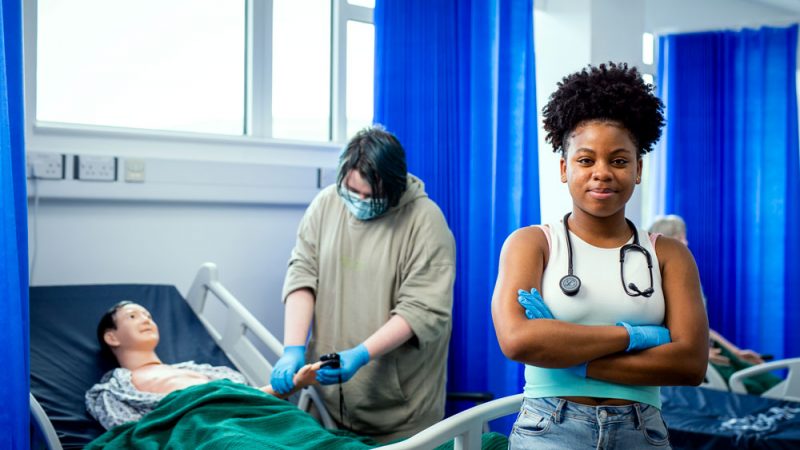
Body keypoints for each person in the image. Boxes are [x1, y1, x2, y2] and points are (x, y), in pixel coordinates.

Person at [492, 63, 709, 449]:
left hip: (641, 430)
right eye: (586, 160)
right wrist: (638, 336)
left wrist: (570, 357)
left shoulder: (669, 256)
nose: (602, 173)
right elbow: (517, 341)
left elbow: (690, 364)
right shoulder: (533, 244)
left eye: (619, 160)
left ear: (638, 169)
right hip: (550, 427)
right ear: (564, 168)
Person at [271, 125, 456, 441]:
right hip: (327, 401)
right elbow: (303, 274)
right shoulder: (326, 204)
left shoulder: (425, 221)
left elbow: (421, 310)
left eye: (370, 196)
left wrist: (360, 354)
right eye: (351, 190)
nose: (358, 201)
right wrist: (292, 348)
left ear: (394, 187)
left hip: (400, 411)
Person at [86, 301, 323, 430]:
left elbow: (243, 398)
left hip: (255, 419)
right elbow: (131, 431)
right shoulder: (114, 390)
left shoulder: (200, 370)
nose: (146, 319)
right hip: (210, 431)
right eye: (133, 316)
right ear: (112, 338)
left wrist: (296, 383)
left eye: (148, 315)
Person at [648, 214, 781, 394]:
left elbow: (702, 327)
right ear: (670, 242)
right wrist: (699, 352)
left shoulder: (687, 278)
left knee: (771, 383)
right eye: (681, 237)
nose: (686, 242)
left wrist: (736, 352)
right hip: (694, 353)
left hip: (707, 348)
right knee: (754, 389)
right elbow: (663, 329)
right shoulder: (653, 282)